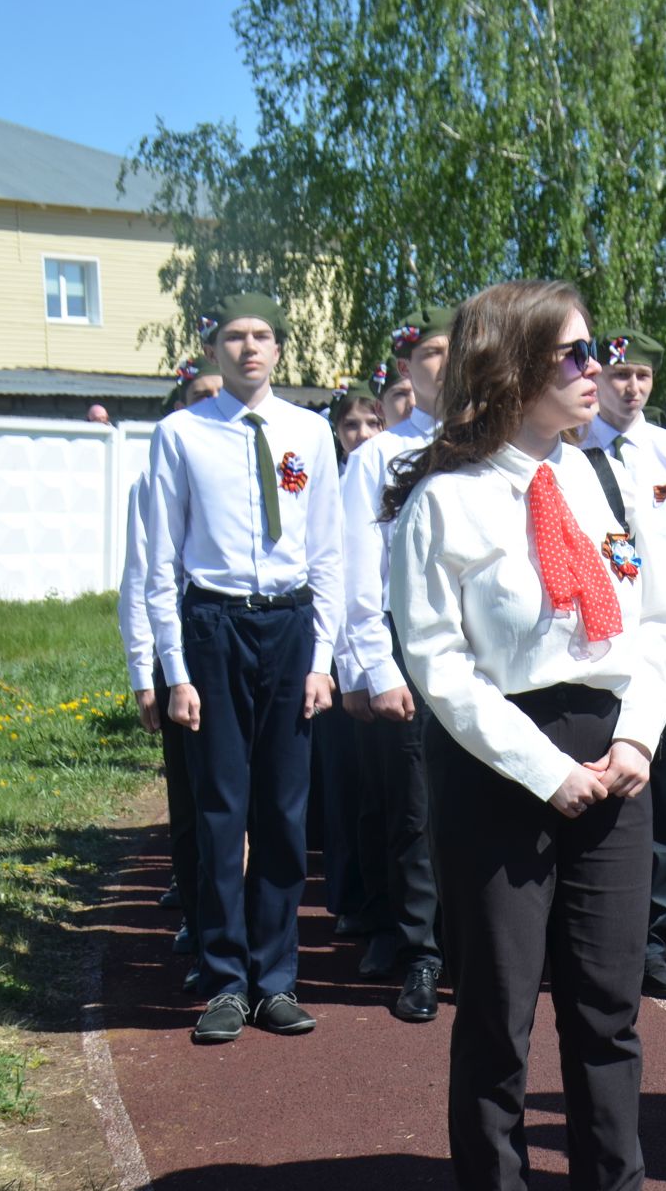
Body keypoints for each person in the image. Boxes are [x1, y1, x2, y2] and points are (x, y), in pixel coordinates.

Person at [386, 280, 666, 1190]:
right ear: (513, 366)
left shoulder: (605, 477)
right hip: (500, 763)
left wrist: (634, 743)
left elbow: (657, 622)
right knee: (497, 1015)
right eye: (575, 355)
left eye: (595, 352)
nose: (597, 370)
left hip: (613, 755)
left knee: (607, 1011)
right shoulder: (447, 500)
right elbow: (435, 662)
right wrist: (545, 769)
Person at [146, 292, 344, 1044]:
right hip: (214, 625)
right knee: (221, 810)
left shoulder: (309, 433)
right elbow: (162, 560)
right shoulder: (181, 435)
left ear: (281, 349)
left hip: (289, 628)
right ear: (213, 347)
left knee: (284, 815)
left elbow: (328, 552)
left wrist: (322, 659)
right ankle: (225, 979)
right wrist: (176, 669)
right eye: (235, 335)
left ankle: (276, 980)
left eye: (263, 335)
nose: (249, 348)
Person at [580, 327, 666, 1000]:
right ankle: (589, 936)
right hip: (595, 635)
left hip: (661, 637)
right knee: (598, 774)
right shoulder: (572, 447)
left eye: (643, 377)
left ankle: (650, 940)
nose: (631, 388)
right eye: (620, 375)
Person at [337, 309, 454, 1018]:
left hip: (479, 646)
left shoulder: (487, 444)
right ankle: (420, 950)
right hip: (406, 638)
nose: (442, 366)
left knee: (476, 797)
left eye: (452, 352)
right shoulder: (377, 457)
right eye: (429, 354)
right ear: (406, 368)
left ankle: (467, 939)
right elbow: (358, 564)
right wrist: (370, 665)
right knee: (412, 804)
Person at [120, 360, 222, 989]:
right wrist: (142, 669)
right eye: (197, 396)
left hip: (241, 641)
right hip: (177, 647)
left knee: (247, 799)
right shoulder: (151, 480)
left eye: (216, 394)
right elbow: (140, 577)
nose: (209, 403)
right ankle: (199, 913)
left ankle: (245, 924)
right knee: (189, 798)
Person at [312, 378, 383, 935]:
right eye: (350, 425)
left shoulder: (388, 475)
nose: (360, 434)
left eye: (370, 423)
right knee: (345, 781)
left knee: (383, 786)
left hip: (381, 644)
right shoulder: (327, 484)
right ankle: (349, 896)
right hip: (336, 649)